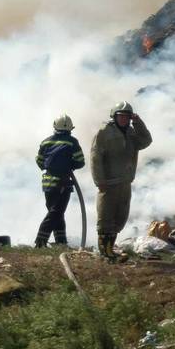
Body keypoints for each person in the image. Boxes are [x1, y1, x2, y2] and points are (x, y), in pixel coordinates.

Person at [90, 101, 152, 261]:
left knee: (120, 217)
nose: (124, 119)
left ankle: (110, 249)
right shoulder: (104, 133)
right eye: (121, 116)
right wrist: (99, 180)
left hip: (125, 182)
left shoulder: (132, 133)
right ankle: (105, 252)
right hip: (108, 183)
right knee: (106, 217)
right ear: (114, 116)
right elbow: (95, 157)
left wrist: (138, 122)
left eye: (127, 117)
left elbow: (146, 141)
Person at [34, 114, 85, 248]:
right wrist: (69, 166)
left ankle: (61, 241)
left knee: (56, 212)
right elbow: (80, 162)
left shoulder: (45, 142)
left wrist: (48, 167)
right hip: (62, 183)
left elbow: (39, 161)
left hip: (47, 183)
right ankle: (40, 241)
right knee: (56, 212)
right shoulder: (72, 141)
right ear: (70, 128)